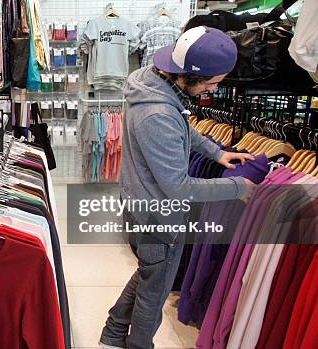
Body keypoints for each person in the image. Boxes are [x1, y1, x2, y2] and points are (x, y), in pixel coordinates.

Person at [99, 26, 255, 349]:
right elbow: (179, 187)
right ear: (189, 76)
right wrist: (238, 187)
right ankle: (138, 344)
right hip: (158, 219)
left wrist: (217, 152)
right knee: (152, 298)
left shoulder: (150, 81)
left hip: (140, 206)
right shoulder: (156, 114)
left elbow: (182, 127)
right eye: (212, 83)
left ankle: (113, 333)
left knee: (149, 274)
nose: (213, 90)